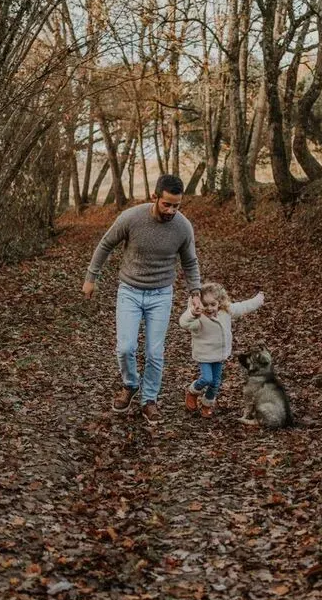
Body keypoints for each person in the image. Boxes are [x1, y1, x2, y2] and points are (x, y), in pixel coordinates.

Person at [82, 174, 202, 424]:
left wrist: (195, 293)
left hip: (161, 294)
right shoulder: (131, 218)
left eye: (176, 205)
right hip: (130, 291)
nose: (171, 210)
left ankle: (149, 399)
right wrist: (91, 277)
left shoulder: (182, 226)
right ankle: (130, 384)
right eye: (166, 204)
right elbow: (105, 244)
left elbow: (190, 261)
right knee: (125, 347)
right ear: (154, 197)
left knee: (154, 352)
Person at [179, 281, 264, 417]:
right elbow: (183, 322)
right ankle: (192, 392)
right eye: (205, 305)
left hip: (219, 354)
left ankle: (206, 405)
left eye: (213, 304)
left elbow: (243, 307)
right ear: (199, 304)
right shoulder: (198, 318)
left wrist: (258, 300)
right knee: (207, 379)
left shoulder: (226, 311)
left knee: (215, 383)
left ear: (219, 302)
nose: (210, 308)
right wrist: (192, 313)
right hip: (204, 354)